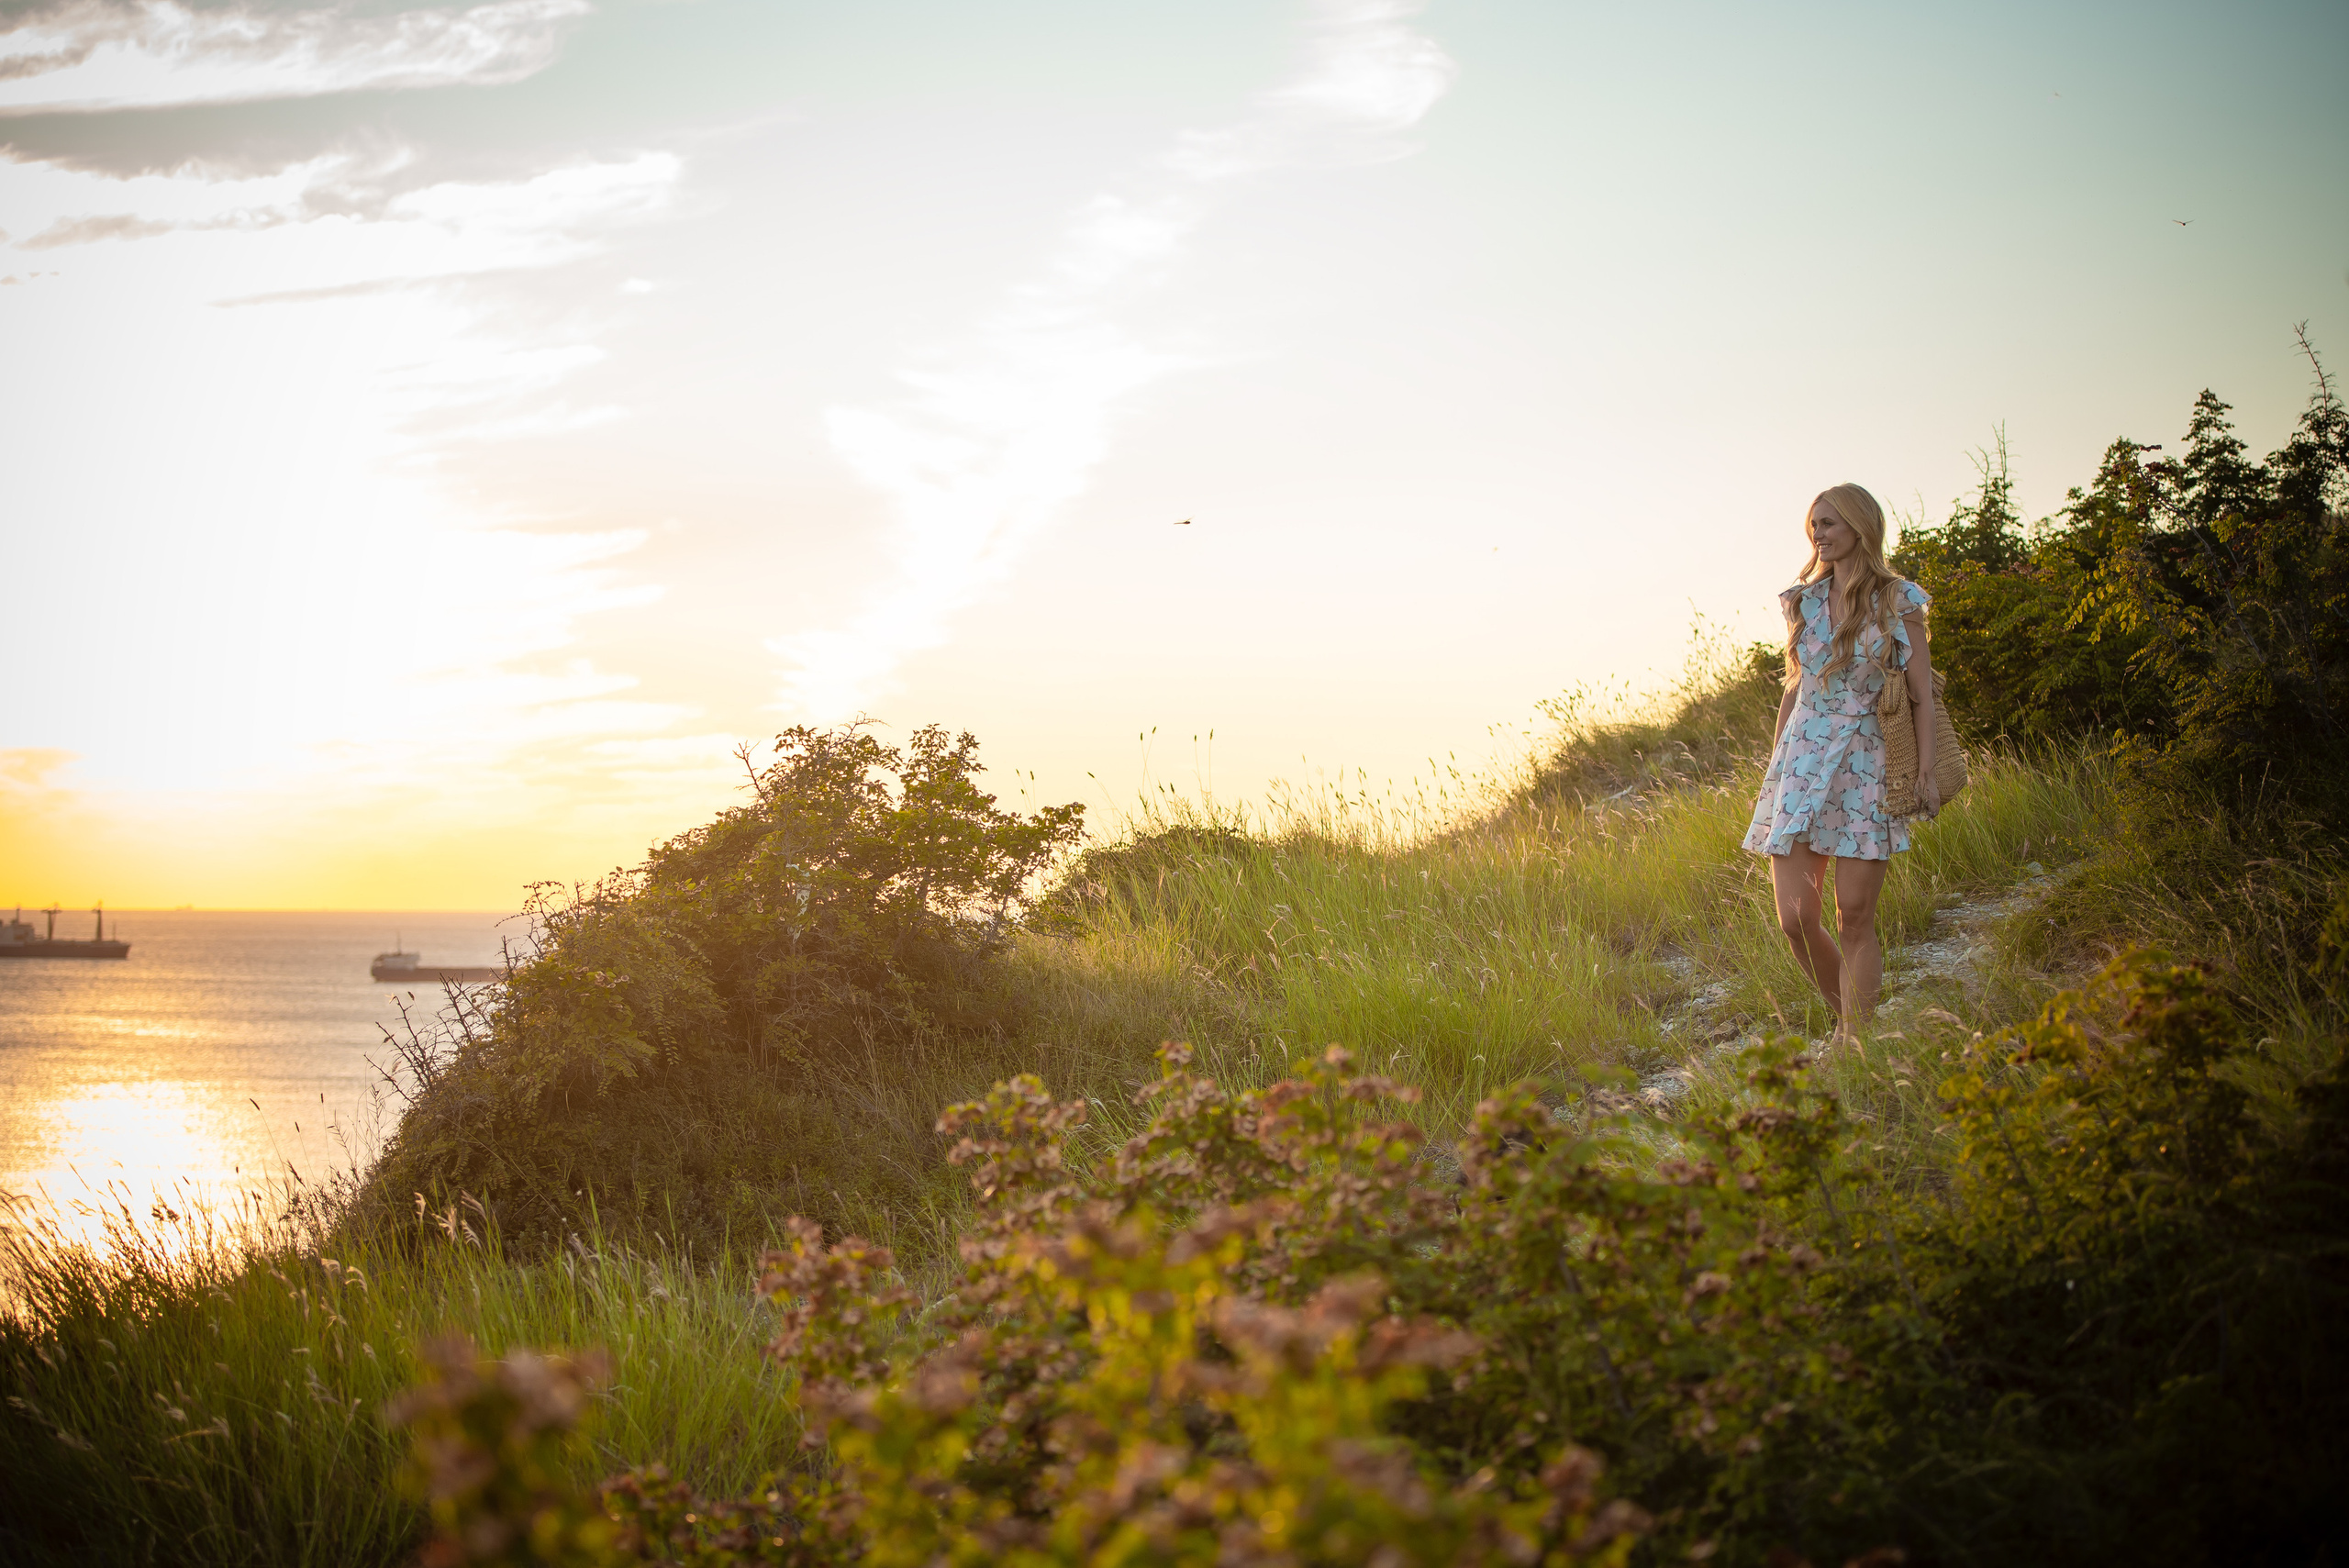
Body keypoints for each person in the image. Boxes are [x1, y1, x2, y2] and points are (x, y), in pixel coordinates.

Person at [1742, 484, 1938, 1029]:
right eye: (1814, 526)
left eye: (1828, 524)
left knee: (1854, 916)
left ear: (1860, 526)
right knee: (1794, 919)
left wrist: (1925, 769)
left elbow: (1921, 691)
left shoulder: (1900, 600)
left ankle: (1855, 1041)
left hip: (1866, 765)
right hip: (1801, 762)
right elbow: (1793, 686)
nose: (1818, 535)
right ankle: (1852, 1022)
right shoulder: (1801, 601)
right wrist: (1774, 766)